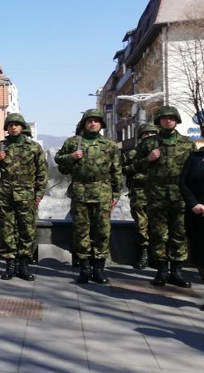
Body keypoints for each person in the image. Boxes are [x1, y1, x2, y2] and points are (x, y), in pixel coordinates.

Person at [55, 109, 122, 284]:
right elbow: (59, 161)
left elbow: (116, 170)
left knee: (102, 231)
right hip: (80, 191)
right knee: (81, 230)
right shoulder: (73, 142)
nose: (93, 123)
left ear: (101, 124)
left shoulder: (109, 145)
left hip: (102, 192)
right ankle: (84, 267)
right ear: (84, 123)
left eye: (96, 121)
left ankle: (98, 268)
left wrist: (116, 193)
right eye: (89, 121)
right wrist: (72, 157)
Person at [134, 105, 196, 288]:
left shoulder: (187, 144)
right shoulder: (149, 143)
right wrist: (148, 159)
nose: (168, 120)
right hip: (157, 195)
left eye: (171, 118)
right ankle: (161, 271)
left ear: (176, 120)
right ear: (158, 121)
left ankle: (176, 272)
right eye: (164, 118)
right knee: (158, 234)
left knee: (179, 233)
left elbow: (193, 171)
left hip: (180, 195)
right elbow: (134, 166)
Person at [0, 113, 48, 281]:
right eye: (10, 125)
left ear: (22, 127)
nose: (13, 127)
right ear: (6, 128)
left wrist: (39, 193)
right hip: (6, 193)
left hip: (27, 194)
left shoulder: (34, 147)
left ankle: (23, 264)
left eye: (16, 124)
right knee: (7, 229)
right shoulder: (0, 146)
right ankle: (10, 264)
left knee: (27, 229)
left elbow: (42, 173)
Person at [180, 122, 204, 312]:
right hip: (199, 216)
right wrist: (194, 204)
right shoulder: (195, 158)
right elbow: (183, 183)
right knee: (202, 259)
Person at [122, 123, 158, 269]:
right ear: (141, 137)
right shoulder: (133, 153)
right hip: (139, 192)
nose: (149, 136)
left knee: (159, 225)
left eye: (152, 134)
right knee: (141, 225)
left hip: (159, 194)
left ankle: (157, 256)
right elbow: (123, 169)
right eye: (146, 134)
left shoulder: (162, 151)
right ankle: (143, 253)